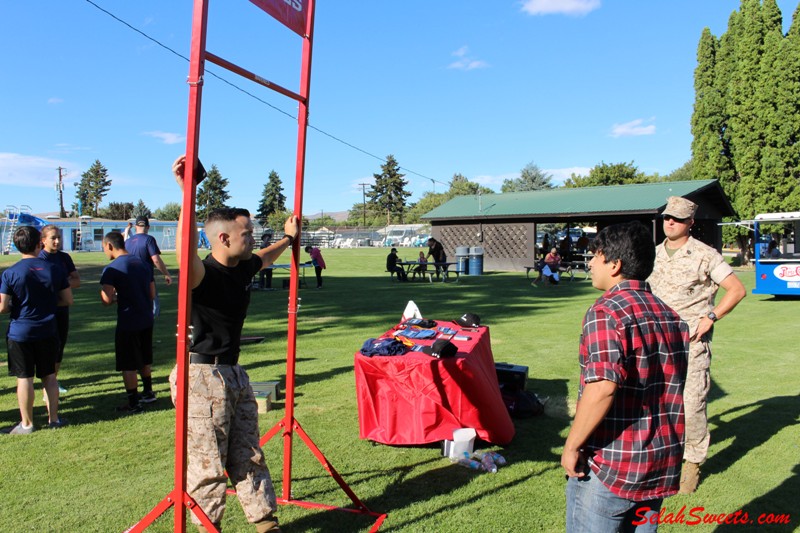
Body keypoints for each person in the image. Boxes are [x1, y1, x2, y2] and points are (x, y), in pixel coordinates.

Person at [171, 154, 297, 533]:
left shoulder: (242, 266)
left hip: (233, 372)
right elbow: (183, 250)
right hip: (200, 376)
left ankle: (265, 523)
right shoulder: (201, 274)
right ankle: (208, 528)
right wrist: (187, 193)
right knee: (208, 466)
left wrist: (289, 238)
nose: (252, 238)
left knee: (249, 454)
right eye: (247, 233)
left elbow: (265, 255)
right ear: (223, 238)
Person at [562, 221, 689, 531]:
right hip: (659, 461)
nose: (590, 263)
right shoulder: (671, 315)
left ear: (615, 264)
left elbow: (603, 387)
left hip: (611, 466)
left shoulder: (607, 311)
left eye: (595, 255)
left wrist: (572, 446)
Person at [648, 196, 746, 495]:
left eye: (677, 219)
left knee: (691, 405)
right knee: (656, 405)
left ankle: (691, 465)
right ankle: (661, 460)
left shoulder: (705, 255)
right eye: (667, 217)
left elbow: (736, 289)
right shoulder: (653, 255)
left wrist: (712, 316)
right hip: (656, 343)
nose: (670, 223)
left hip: (691, 343)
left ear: (691, 222)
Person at [1, 226, 72, 433]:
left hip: (20, 333)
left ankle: (27, 424)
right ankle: (54, 419)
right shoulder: (54, 269)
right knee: (49, 376)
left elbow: (3, 307)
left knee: (24, 379)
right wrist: (47, 304)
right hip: (48, 330)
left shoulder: (10, 273)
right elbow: (67, 300)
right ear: (39, 243)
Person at [99, 231, 157, 413]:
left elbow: (106, 300)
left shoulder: (112, 269)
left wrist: (117, 297)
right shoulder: (142, 264)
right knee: (144, 356)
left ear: (109, 246)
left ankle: (133, 402)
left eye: (104, 248)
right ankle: (148, 392)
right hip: (146, 318)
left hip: (128, 320)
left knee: (128, 362)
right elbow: (152, 294)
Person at [39, 224, 81, 394]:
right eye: (53, 238)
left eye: (59, 238)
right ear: (43, 241)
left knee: (59, 346)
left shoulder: (64, 258)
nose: (57, 241)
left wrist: (58, 285)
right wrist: (63, 284)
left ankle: (53, 381)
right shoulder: (40, 259)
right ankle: (46, 385)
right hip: (46, 312)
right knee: (47, 348)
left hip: (62, 310)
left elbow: (77, 281)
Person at [125, 215, 172, 317]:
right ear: (148, 227)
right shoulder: (149, 239)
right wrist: (166, 274)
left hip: (130, 277)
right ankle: (153, 317)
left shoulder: (127, 242)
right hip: (146, 277)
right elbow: (156, 260)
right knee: (153, 299)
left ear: (135, 226)